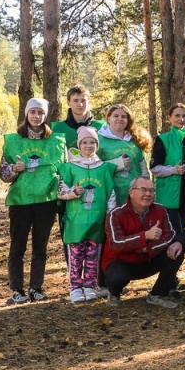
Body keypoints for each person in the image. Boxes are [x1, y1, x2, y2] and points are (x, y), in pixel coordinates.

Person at [1, 97, 68, 304]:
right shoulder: (13, 141)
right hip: (20, 202)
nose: (36, 116)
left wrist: (64, 192)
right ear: (26, 114)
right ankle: (16, 289)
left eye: (40, 113)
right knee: (18, 246)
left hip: (46, 201)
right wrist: (14, 169)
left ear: (45, 115)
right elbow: (3, 174)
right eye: (33, 112)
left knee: (41, 246)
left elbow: (64, 172)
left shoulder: (57, 142)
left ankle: (36, 287)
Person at [57, 126, 117, 302]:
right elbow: (60, 191)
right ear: (79, 145)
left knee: (92, 255)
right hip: (76, 220)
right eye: (85, 142)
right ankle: (75, 287)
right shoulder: (69, 167)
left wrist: (109, 215)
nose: (89, 146)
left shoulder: (105, 168)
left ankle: (90, 286)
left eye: (92, 142)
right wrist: (73, 192)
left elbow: (110, 194)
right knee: (76, 255)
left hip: (97, 220)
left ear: (97, 145)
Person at [102, 176, 181, 308]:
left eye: (151, 190)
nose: (148, 194)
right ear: (131, 192)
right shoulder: (116, 213)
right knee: (117, 278)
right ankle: (114, 293)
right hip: (121, 262)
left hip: (147, 259)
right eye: (143, 190)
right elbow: (115, 243)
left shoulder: (160, 210)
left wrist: (148, 249)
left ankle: (157, 294)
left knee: (176, 251)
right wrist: (144, 237)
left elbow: (169, 236)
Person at [151, 103, 185, 237]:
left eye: (184, 116)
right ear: (169, 118)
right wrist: (173, 170)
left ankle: (176, 257)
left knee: (180, 233)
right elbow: (154, 168)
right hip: (168, 196)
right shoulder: (163, 139)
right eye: (177, 115)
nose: (181, 119)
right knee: (173, 235)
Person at [98, 103, 152, 204]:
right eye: (116, 116)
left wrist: (146, 188)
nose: (120, 119)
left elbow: (143, 167)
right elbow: (95, 168)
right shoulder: (99, 140)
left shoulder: (134, 139)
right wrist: (118, 163)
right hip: (111, 195)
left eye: (124, 116)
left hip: (135, 194)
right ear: (109, 119)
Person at [50, 85, 104, 150]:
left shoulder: (101, 127)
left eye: (83, 101)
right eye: (75, 101)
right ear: (68, 103)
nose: (80, 104)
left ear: (89, 102)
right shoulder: (58, 129)